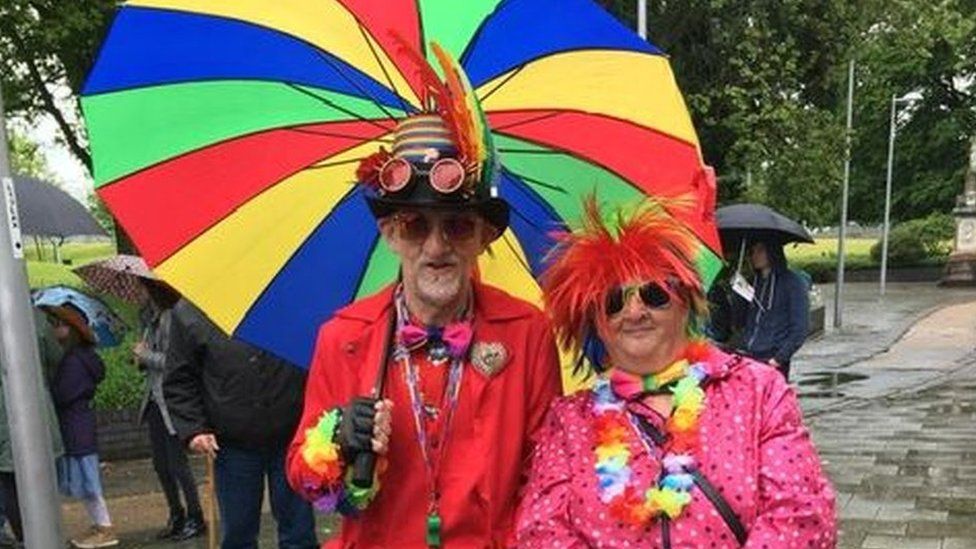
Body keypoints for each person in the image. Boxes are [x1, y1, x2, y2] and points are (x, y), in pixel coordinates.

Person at [285, 46, 561, 548]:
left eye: (456, 225)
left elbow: (549, 472)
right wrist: (338, 439)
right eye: (415, 225)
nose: (436, 247)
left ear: (483, 237)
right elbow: (305, 479)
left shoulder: (527, 332)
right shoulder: (344, 336)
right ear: (390, 233)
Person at [515, 200, 836, 547]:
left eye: (654, 294)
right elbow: (540, 532)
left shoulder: (758, 391)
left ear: (685, 301)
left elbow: (803, 516)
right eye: (613, 301)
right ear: (596, 324)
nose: (634, 312)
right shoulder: (568, 421)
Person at [164, 298, 317, 549]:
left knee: (299, 534)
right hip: (232, 443)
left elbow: (317, 357)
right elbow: (179, 379)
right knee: (238, 535)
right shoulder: (190, 311)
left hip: (292, 436)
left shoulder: (288, 297)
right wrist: (195, 429)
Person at [133, 281, 204, 540]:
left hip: (169, 402)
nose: (139, 294)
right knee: (161, 464)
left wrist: (147, 356)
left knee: (177, 464)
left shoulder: (171, 318)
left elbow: (173, 361)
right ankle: (176, 512)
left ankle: (195, 515)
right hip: (153, 400)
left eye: (142, 289)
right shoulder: (151, 320)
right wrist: (141, 357)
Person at [45, 304, 119, 548]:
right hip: (79, 423)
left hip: (75, 426)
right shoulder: (82, 358)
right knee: (87, 480)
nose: (54, 330)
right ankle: (100, 525)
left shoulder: (74, 360)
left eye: (58, 325)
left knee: (89, 483)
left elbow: (63, 393)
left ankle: (105, 527)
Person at [0, 307, 65, 546]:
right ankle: (42, 536)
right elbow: (55, 357)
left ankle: (24, 538)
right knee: (41, 474)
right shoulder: (34, 317)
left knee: (8, 479)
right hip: (34, 404)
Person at [738, 240, 810, 380]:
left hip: (772, 359)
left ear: (772, 252)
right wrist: (738, 292)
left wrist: (778, 359)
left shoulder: (793, 283)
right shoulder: (753, 282)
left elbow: (800, 328)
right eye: (752, 251)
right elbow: (739, 320)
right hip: (749, 356)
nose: (755, 255)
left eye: (760, 251)